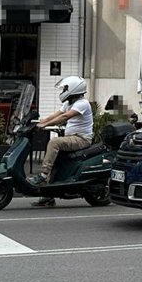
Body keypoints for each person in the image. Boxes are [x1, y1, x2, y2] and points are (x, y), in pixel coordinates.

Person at [29, 76, 94, 205]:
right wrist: (38, 123)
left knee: (54, 142)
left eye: (65, 89)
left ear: (73, 89)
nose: (63, 91)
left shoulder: (82, 103)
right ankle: (49, 196)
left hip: (82, 139)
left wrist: (44, 125)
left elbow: (65, 117)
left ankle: (43, 175)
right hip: (72, 138)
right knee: (54, 160)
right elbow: (55, 115)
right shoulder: (69, 103)